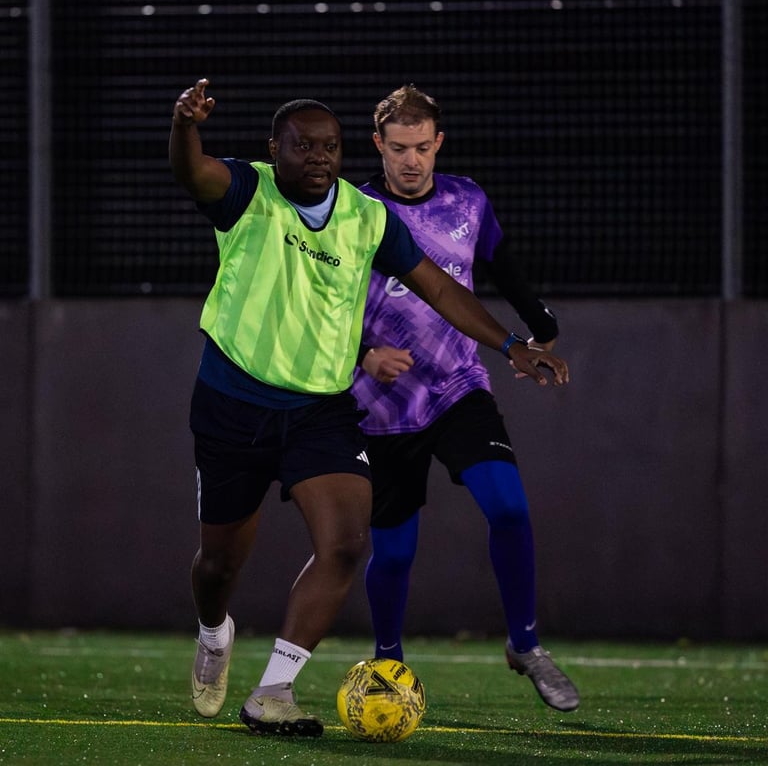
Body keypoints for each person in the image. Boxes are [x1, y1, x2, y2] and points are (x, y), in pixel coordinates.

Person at [168, 78, 569, 737]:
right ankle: (214, 633)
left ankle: (272, 692)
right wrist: (185, 126)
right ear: (278, 149)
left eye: (329, 146)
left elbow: (439, 285)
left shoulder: (366, 216)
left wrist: (511, 345)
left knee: (349, 543)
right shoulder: (247, 190)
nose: (318, 156)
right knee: (218, 567)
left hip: (321, 410)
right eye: (303, 146)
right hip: (234, 404)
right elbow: (193, 170)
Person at [351, 84, 580, 712]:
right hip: (381, 401)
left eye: (423, 147)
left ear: (438, 143)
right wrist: (362, 357)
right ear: (379, 146)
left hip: (457, 387)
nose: (411, 161)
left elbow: (502, 266)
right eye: (398, 148)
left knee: (508, 508)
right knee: (394, 551)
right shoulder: (355, 209)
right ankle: (389, 663)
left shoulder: (467, 199)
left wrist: (538, 326)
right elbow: (325, 304)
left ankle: (525, 643)